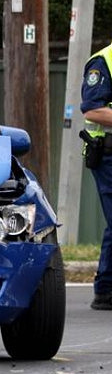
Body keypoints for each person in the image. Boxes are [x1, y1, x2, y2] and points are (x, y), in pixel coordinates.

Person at [81, 42, 112, 311]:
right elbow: (91, 110)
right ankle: (104, 290)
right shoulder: (102, 62)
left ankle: (105, 289)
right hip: (107, 156)